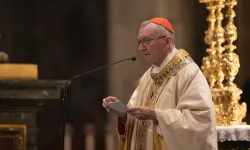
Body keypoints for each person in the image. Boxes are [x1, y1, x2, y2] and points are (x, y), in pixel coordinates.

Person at [102, 17, 218, 150]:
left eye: (147, 40)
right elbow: (136, 121)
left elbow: (199, 122)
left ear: (167, 41)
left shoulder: (189, 73)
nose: (141, 48)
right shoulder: (148, 77)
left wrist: (156, 115)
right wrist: (123, 114)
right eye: (139, 42)